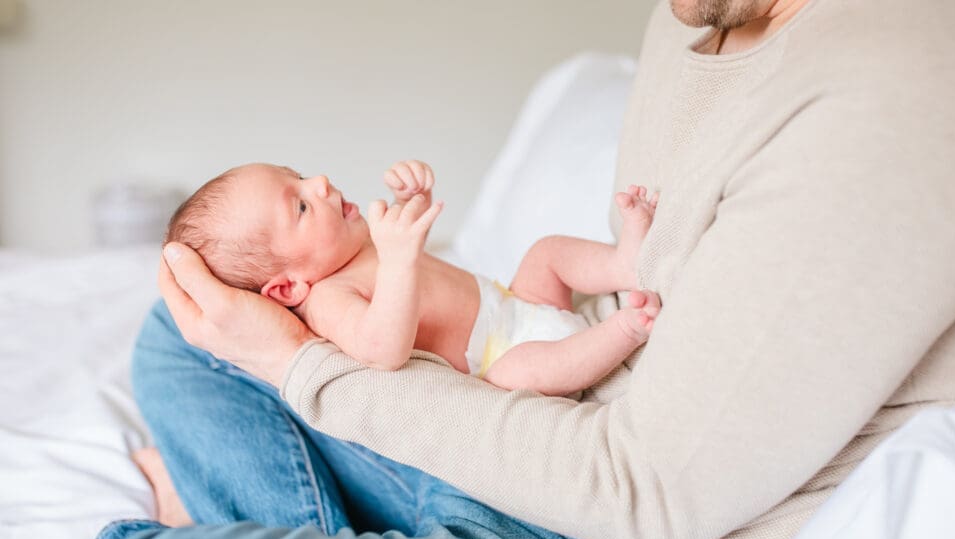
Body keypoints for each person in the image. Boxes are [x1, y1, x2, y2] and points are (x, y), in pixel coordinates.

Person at [32, 0, 955, 539]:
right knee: (184, 317)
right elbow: (602, 314)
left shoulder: (907, 72)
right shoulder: (700, 18)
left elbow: (654, 493)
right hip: (550, 443)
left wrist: (298, 366)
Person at [165, 160, 662, 395]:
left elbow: (411, 246)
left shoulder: (358, 244)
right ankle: (624, 330)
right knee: (519, 379)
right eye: (299, 204)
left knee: (546, 252)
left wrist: (414, 203)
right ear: (287, 288)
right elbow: (383, 349)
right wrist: (399, 258)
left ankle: (622, 264)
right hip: (502, 354)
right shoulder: (328, 300)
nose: (319, 183)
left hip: (519, 303)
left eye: (298, 175)